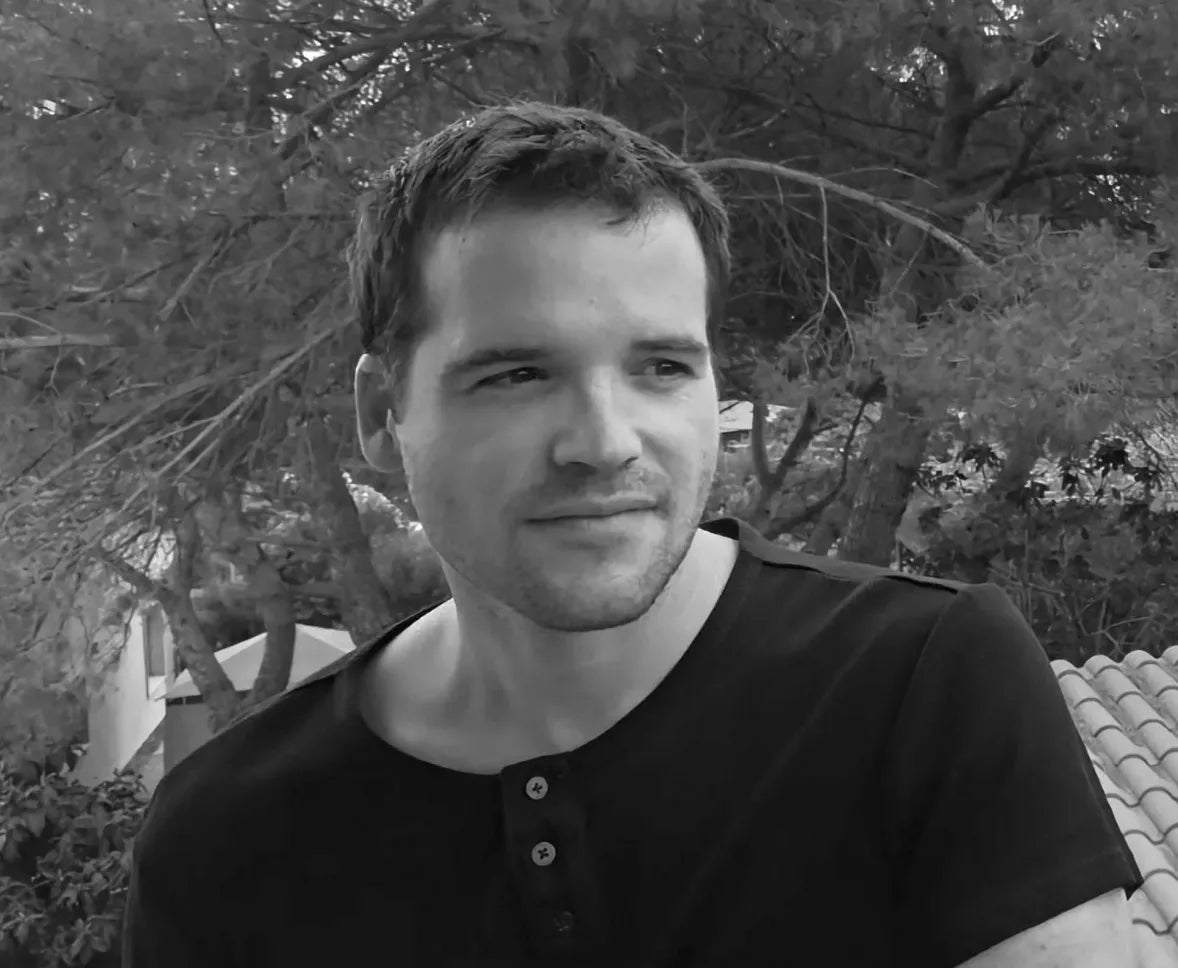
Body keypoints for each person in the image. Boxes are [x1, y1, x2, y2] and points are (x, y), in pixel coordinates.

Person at [122, 100, 1143, 967]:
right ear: (382, 413)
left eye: (661, 367)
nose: (605, 443)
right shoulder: (223, 843)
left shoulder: (923, 687)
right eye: (517, 374)